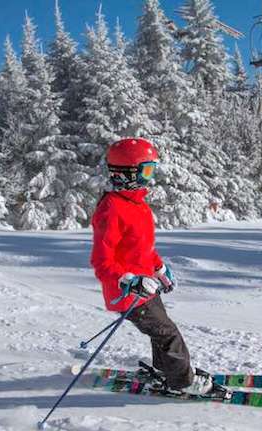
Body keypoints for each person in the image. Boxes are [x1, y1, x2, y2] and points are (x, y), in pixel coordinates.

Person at [90, 138, 213, 395]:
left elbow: (142, 247)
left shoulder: (138, 205)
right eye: (146, 170)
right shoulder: (112, 209)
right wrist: (128, 280)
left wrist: (158, 268)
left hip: (146, 288)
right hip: (127, 293)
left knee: (162, 329)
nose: (151, 176)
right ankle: (182, 383)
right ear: (127, 173)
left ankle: (164, 369)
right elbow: (102, 262)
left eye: (151, 169)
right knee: (168, 334)